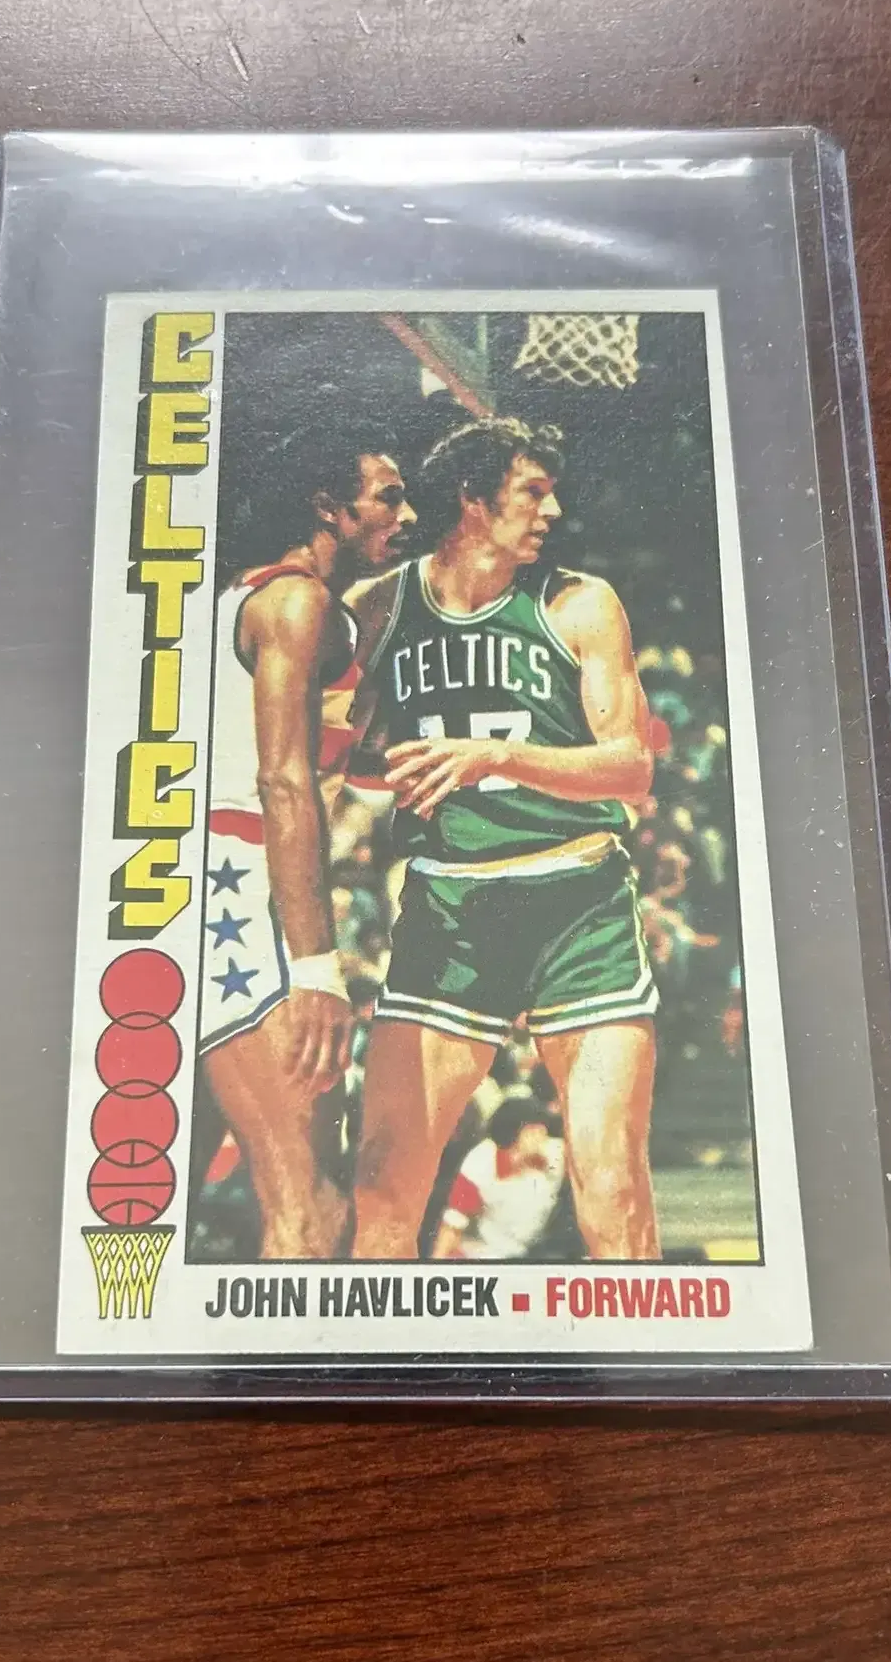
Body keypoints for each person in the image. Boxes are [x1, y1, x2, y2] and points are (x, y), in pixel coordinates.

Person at [346, 416, 661, 1261]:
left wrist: (495, 756)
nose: (552, 510)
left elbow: (632, 768)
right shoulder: (379, 608)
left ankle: (646, 1346)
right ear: (473, 501)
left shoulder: (580, 603)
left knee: (611, 1184)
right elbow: (338, 748)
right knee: (382, 1182)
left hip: (577, 900)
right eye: (533, 491)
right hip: (452, 903)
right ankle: (368, 1349)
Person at [199, 422, 416, 1257]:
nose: (406, 514)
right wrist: (318, 969)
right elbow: (283, 783)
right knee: (311, 1207)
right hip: (234, 885)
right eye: (388, 497)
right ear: (330, 507)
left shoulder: (257, 596)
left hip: (199, 881)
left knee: (189, 1203)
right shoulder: (297, 601)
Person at [430, 1098, 566, 1260]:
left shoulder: (556, 1153)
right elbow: (454, 1221)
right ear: (512, 1133)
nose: (541, 1137)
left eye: (543, 1131)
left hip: (545, 1249)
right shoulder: (481, 1160)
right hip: (492, 1249)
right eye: (532, 1131)